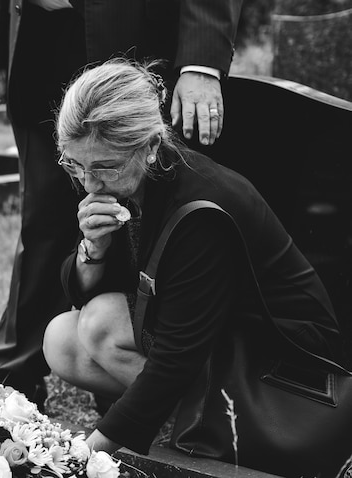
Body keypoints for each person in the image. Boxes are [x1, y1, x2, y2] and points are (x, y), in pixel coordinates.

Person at [42, 59, 349, 475]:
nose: (89, 183)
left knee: (101, 324)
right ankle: (183, 422)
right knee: (62, 337)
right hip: (212, 333)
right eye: (76, 165)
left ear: (150, 146)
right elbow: (83, 293)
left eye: (103, 167)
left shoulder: (201, 210)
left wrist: (84, 459)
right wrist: (93, 248)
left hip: (281, 357)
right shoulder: (124, 179)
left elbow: (177, 355)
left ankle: (209, 426)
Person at [0, 0, 244, 410]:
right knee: (43, 214)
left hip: (137, 29)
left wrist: (201, 61)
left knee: (143, 207)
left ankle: (138, 372)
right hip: (40, 35)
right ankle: (17, 369)